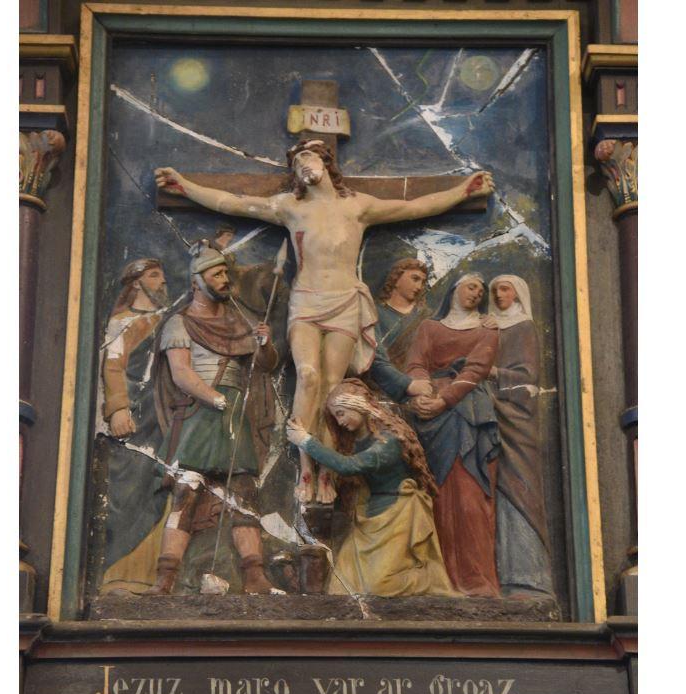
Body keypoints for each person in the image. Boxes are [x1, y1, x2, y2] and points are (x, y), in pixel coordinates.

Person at [156, 140, 494, 503]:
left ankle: (328, 473)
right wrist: (185, 187)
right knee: (309, 377)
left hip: (344, 301)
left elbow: (413, 206)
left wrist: (462, 191)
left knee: (333, 387)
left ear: (326, 162)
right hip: (306, 302)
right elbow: (233, 202)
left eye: (309, 156)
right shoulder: (291, 207)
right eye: (296, 161)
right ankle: (306, 467)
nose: (303, 164)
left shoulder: (357, 206)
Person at [144, 241, 279, 595]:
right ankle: (166, 578)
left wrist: (265, 344)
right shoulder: (180, 323)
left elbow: (265, 366)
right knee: (186, 492)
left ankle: (254, 575)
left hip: (234, 414)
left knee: (244, 494)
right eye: (216, 274)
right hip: (199, 413)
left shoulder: (238, 322)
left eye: (225, 273)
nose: (224, 279)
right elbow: (181, 373)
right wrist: (213, 397)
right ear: (196, 281)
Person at [286, 380, 457, 597]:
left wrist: (305, 441)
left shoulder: (389, 442)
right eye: (336, 417)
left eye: (341, 413)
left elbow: (349, 466)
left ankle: (429, 578)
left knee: (380, 587)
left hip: (398, 514)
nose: (340, 422)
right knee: (341, 586)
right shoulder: (354, 442)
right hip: (367, 518)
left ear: (358, 405)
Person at [405, 273, 502, 596]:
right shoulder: (429, 328)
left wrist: (444, 400)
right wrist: (422, 393)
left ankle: (476, 580)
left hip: (468, 414)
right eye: (471, 286)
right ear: (454, 290)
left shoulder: (487, 330)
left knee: (471, 497)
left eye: (481, 290)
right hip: (431, 419)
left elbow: (477, 369)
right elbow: (416, 364)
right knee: (437, 496)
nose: (477, 293)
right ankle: (439, 579)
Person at [98, 258, 172, 595]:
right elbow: (113, 367)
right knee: (128, 492)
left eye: (163, 276)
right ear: (136, 283)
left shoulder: (169, 319)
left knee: (160, 488)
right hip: (135, 416)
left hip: (162, 415)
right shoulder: (122, 322)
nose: (162, 282)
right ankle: (117, 572)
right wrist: (118, 409)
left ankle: (149, 574)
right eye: (154, 276)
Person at [488, 274, 554, 598]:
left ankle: (528, 576)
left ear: (517, 293)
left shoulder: (524, 327)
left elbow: (528, 377)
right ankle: (497, 573)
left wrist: (494, 373)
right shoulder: (487, 327)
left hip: (517, 419)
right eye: (495, 290)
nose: (499, 295)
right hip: (490, 417)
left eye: (505, 289)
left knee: (520, 487)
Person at [367, 258, 434, 403]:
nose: (419, 286)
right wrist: (407, 384)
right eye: (415, 279)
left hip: (423, 387)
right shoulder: (374, 312)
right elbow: (373, 357)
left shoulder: (427, 317)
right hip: (382, 389)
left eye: (423, 282)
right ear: (396, 279)